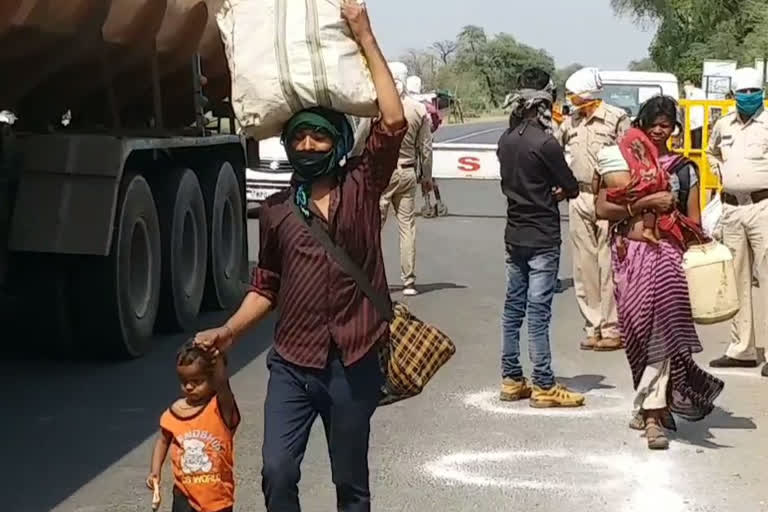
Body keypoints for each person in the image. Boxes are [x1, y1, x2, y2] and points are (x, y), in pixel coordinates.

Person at [194, 3, 406, 511]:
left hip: (354, 360)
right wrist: (229, 332)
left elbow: (393, 120)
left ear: (338, 143)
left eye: (319, 136)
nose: (308, 144)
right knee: (277, 471)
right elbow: (266, 284)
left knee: (350, 480)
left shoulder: (363, 182)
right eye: (299, 137)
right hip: (293, 363)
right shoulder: (276, 211)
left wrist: (364, 33)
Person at [595, 95, 724, 450]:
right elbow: (603, 208)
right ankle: (652, 399)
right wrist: (645, 203)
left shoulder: (683, 168)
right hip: (628, 256)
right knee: (636, 332)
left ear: (674, 128)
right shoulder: (621, 159)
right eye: (653, 122)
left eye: (666, 124)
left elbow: (694, 221)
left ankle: (653, 417)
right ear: (641, 123)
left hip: (667, 259)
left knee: (659, 333)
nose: (658, 130)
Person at [497, 68, 585, 408]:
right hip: (543, 236)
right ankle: (544, 383)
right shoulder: (545, 143)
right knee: (538, 313)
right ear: (545, 101)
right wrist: (556, 192)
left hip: (514, 232)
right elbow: (572, 187)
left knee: (512, 309)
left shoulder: (506, 139)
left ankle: (511, 378)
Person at [559, 67, 631, 351]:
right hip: (579, 196)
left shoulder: (617, 118)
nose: (571, 100)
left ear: (588, 95)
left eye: (575, 95)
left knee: (609, 264)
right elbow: (554, 147)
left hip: (608, 198)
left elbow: (628, 157)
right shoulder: (571, 121)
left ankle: (613, 328)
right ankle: (593, 326)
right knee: (584, 266)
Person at [707, 67, 768, 377]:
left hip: (763, 206)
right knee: (737, 278)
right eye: (742, 92)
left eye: (752, 91)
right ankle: (741, 348)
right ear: (733, 95)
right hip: (732, 208)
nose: (747, 97)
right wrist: (720, 172)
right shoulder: (723, 125)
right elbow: (711, 151)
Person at [147, 341, 240, 512]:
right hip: (184, 496)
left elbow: (223, 385)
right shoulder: (174, 413)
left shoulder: (221, 408)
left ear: (212, 378)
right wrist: (155, 471)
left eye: (197, 381)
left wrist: (217, 358)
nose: (189, 386)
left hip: (217, 499)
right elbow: (163, 440)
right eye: (184, 381)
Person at [378, 66, 433, 296]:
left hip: (383, 174)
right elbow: (426, 148)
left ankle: (369, 278)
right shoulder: (419, 109)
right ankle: (408, 282)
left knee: (372, 227)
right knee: (407, 228)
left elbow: (361, 140)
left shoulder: (379, 105)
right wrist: (427, 177)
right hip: (408, 172)